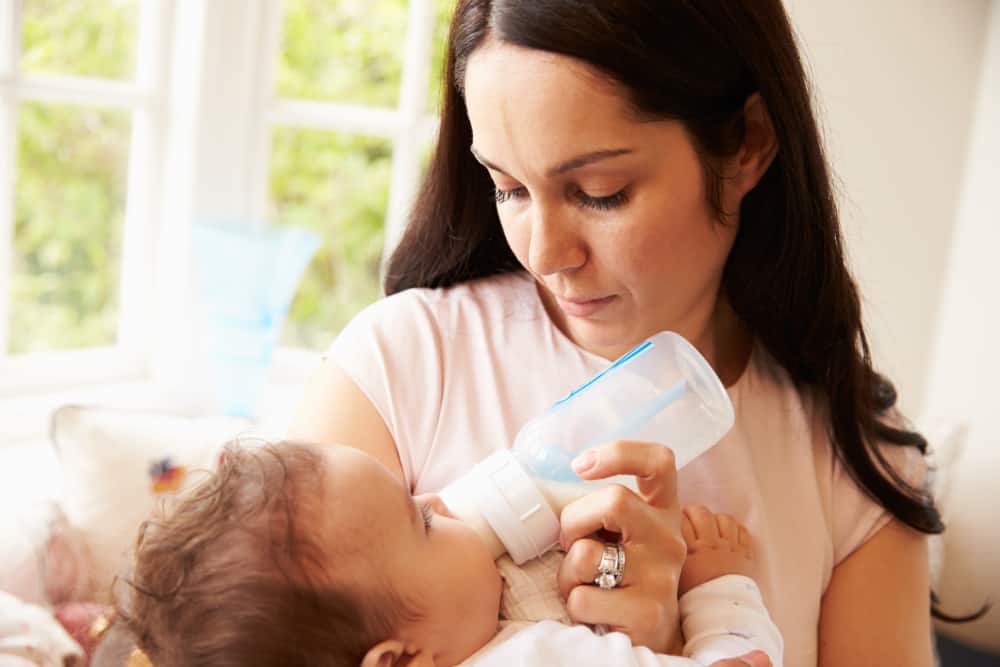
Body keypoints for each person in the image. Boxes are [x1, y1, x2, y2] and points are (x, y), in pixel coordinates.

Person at [291, 1, 941, 665]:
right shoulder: (397, 364)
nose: (545, 255)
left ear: (748, 142)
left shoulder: (853, 469)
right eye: (508, 187)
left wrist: (662, 641)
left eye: (600, 192)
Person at [116, 441, 780, 666]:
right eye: (422, 521)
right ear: (399, 660)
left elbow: (504, 499)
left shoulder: (430, 612)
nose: (439, 500)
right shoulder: (529, 659)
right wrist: (719, 591)